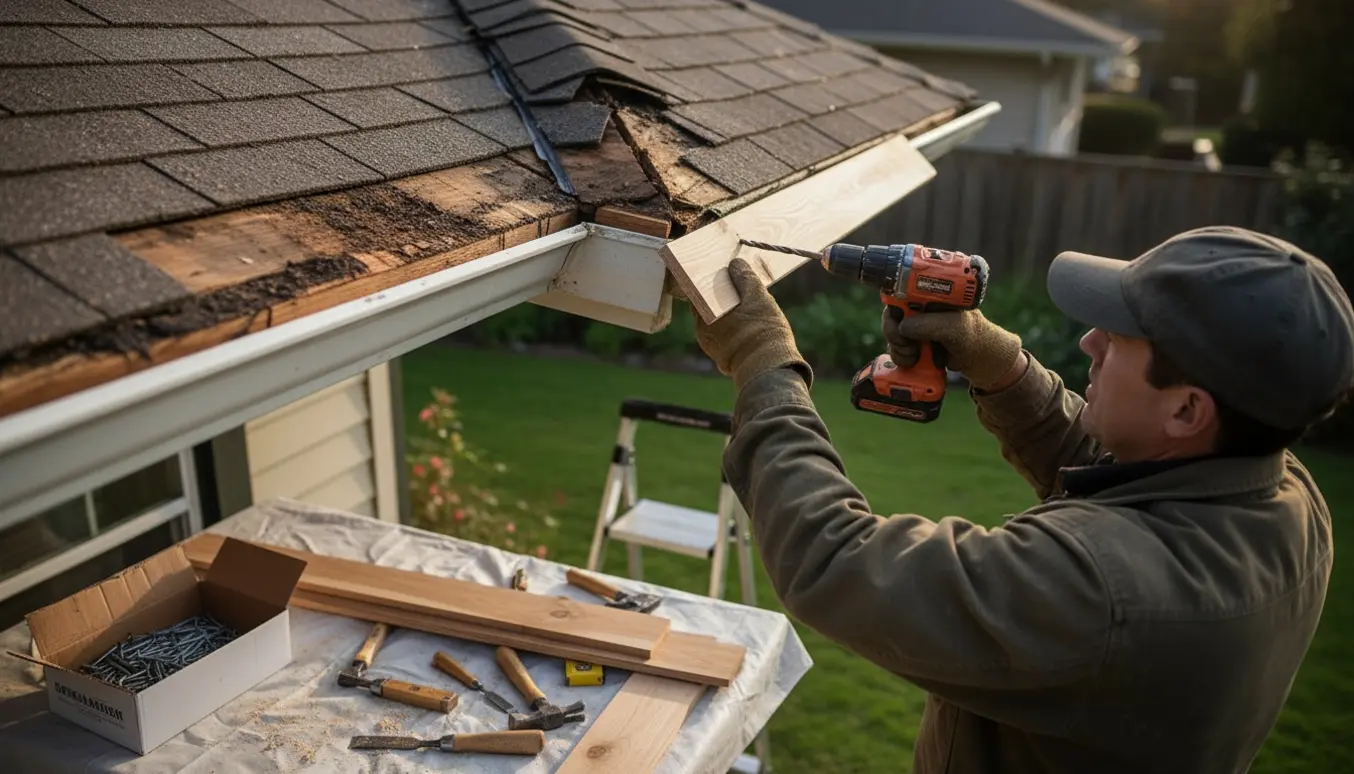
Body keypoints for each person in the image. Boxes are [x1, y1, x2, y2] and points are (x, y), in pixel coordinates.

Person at [690, 226, 1354, 774]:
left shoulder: (1102, 593)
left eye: (1121, 337)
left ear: (1186, 408)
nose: (1090, 340)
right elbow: (1129, 469)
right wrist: (998, 363)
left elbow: (837, 559)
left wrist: (763, 362)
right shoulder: (1285, 496)